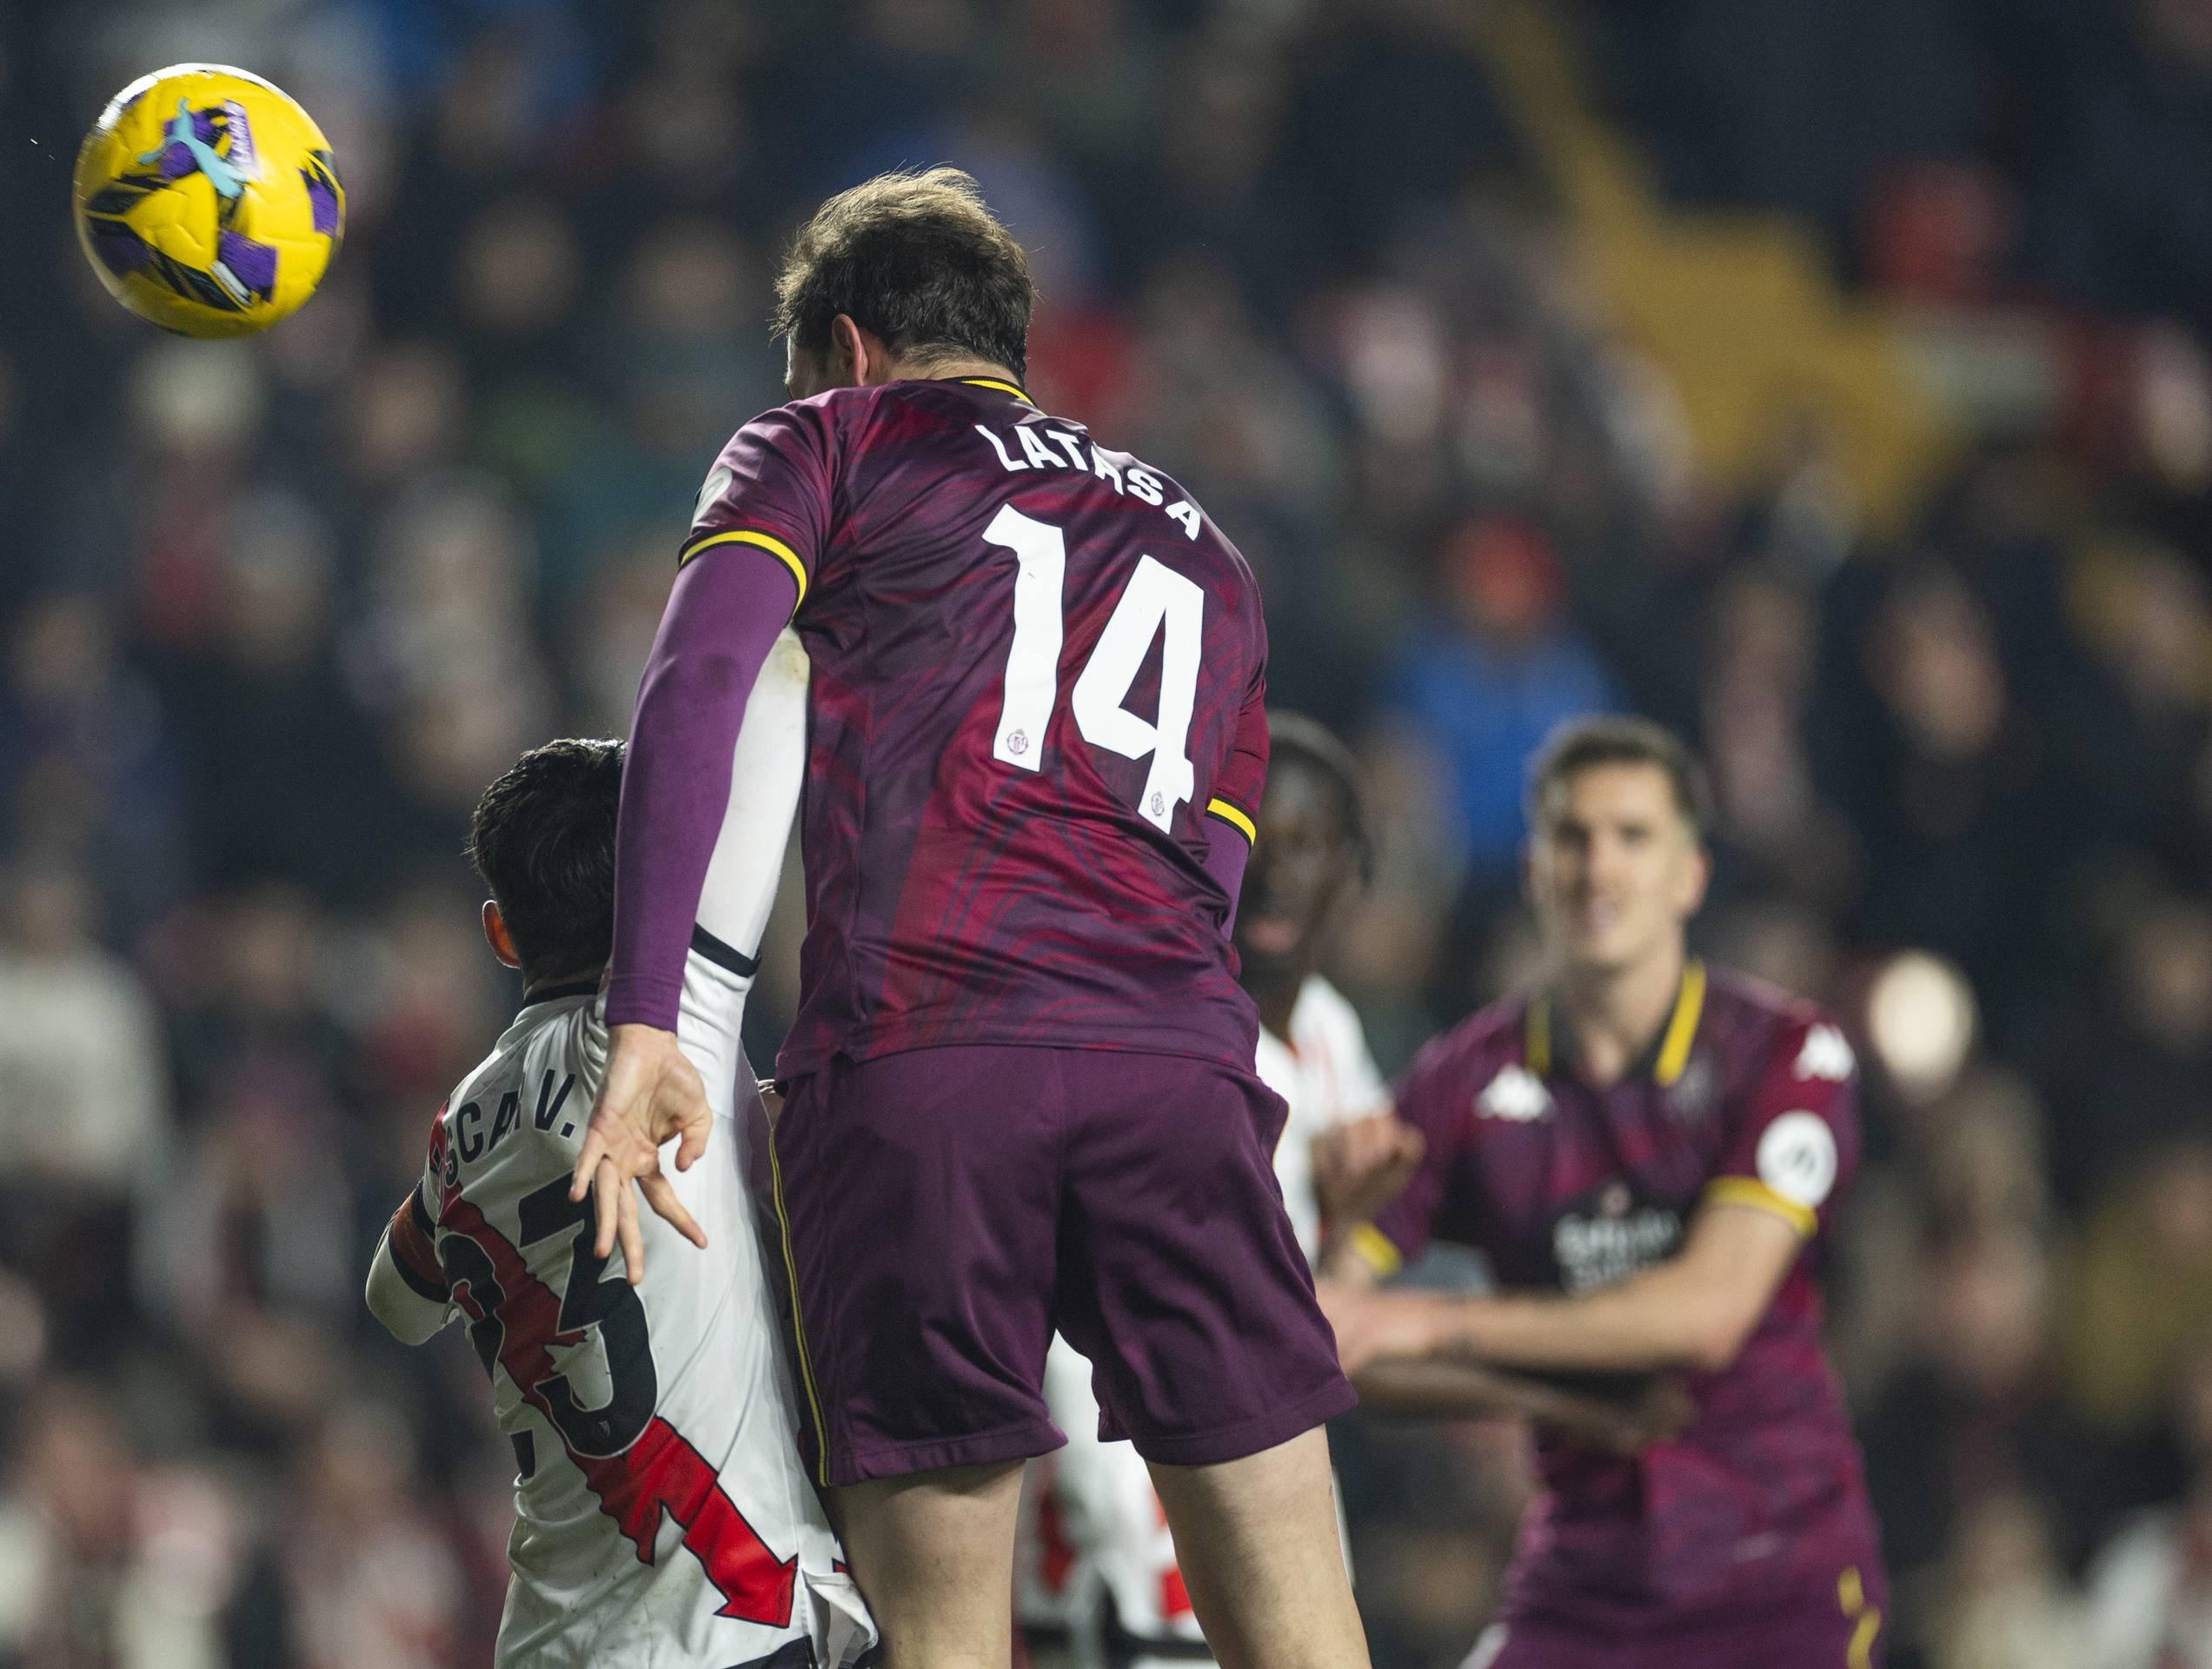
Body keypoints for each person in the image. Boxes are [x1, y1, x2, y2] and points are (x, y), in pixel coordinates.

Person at [576, 168, 1366, 1669]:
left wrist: (643, 1015)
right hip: (1177, 1075)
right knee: (1306, 1627)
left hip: (931, 1059)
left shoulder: (829, 440)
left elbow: (699, 687)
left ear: (851, 348)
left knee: (943, 1637)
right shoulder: (1208, 546)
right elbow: (1220, 873)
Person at [1018, 715, 1661, 1669]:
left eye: (1306, 845)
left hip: (1262, 1474)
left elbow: (1331, 1287)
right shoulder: (1167, 1045)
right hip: (1131, 1485)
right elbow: (1324, 1329)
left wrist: (1348, 1218)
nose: (1273, 875)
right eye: (1251, 841)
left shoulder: (1327, 1033)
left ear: (1354, 871)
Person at [1325, 715, 1888, 1668]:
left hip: (1775, 1575)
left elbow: (1704, 1316)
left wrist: (1437, 1325)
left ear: (1689, 874)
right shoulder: (1460, 1080)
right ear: (1534, 869)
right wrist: (1560, 1400)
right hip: (1581, 1581)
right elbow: (1328, 1335)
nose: (1598, 867)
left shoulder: (1787, 1055)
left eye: (1633, 837)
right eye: (1570, 837)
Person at [363, 732, 879, 1669]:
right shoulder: (675, 1026)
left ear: (499, 934)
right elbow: (758, 779)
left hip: (551, 1639)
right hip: (727, 1621)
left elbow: (392, 1305)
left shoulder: (460, 1122)